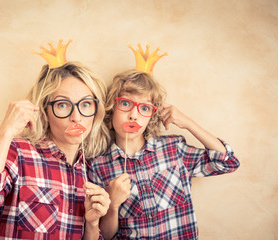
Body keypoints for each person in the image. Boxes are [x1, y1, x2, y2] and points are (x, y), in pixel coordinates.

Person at [88, 53, 240, 239]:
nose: (134, 115)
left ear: (153, 115)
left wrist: (189, 123)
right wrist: (113, 205)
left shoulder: (174, 149)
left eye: (144, 108)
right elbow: (105, 236)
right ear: (112, 108)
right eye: (126, 103)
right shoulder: (97, 166)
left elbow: (227, 162)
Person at [0, 56, 111, 239]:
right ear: (45, 110)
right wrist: (5, 132)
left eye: (86, 104)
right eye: (63, 105)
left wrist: (92, 224)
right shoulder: (18, 153)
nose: (77, 117)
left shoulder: (92, 171)